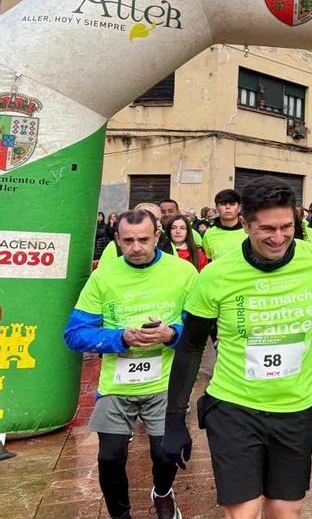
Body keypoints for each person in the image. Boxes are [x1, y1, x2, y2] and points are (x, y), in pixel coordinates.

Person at [161, 177, 312, 519]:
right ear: (245, 224)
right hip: (234, 406)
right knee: (244, 512)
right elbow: (190, 346)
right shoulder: (216, 275)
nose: (278, 238)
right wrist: (173, 419)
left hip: (295, 407)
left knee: (284, 511)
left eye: (286, 227)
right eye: (266, 229)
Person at [64, 209, 197, 519]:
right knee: (110, 457)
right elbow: (74, 334)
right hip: (116, 385)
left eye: (143, 240)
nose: (136, 247)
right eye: (128, 241)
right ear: (117, 240)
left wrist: (171, 333)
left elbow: (202, 328)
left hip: (165, 382)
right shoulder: (104, 276)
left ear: (157, 238)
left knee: (165, 454)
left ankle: (162, 492)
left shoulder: (184, 272)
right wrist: (120, 338)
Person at [201, 189, 245, 261]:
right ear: (217, 208)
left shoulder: (249, 232)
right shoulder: (209, 234)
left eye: (232, 204)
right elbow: (208, 260)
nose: (228, 207)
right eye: (223, 204)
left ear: (239, 208)